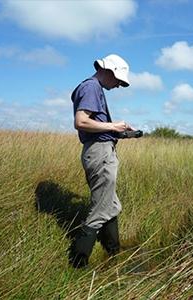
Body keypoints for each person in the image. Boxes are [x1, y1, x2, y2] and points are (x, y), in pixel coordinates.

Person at [70, 54, 133, 268]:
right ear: (109, 71)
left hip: (102, 150)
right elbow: (81, 121)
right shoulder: (91, 87)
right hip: (99, 153)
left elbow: (95, 125)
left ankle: (113, 250)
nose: (118, 86)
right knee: (101, 210)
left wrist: (120, 132)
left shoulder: (93, 88)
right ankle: (78, 262)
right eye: (118, 80)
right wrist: (113, 126)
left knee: (112, 204)